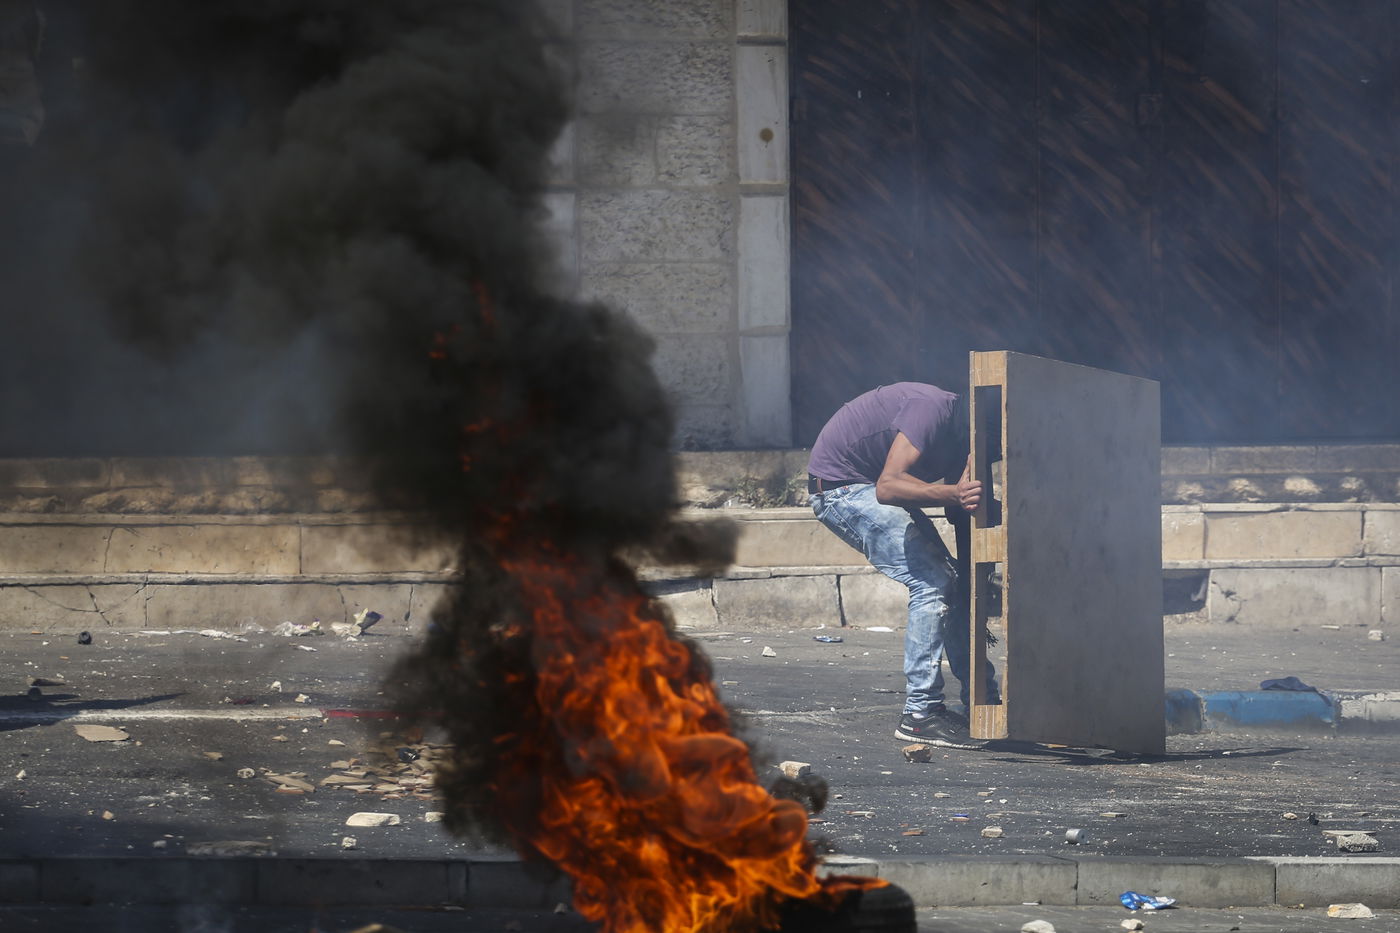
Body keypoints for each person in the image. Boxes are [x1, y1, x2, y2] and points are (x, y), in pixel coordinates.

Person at [806, 382, 998, 748]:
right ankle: (920, 714)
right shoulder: (932, 409)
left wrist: (975, 576)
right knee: (932, 580)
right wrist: (954, 493)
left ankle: (981, 702)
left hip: (867, 486)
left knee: (953, 580)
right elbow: (888, 486)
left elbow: (962, 512)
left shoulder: (968, 439)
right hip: (841, 489)